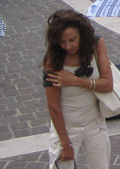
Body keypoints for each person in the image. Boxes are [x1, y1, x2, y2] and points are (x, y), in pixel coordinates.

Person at [43, 10, 113, 169]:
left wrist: (76, 81)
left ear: (82, 34)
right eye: (62, 42)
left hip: (95, 125)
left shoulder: (97, 45)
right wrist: (65, 144)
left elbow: (108, 84)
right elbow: (53, 107)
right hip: (67, 129)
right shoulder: (53, 61)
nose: (68, 46)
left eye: (72, 40)